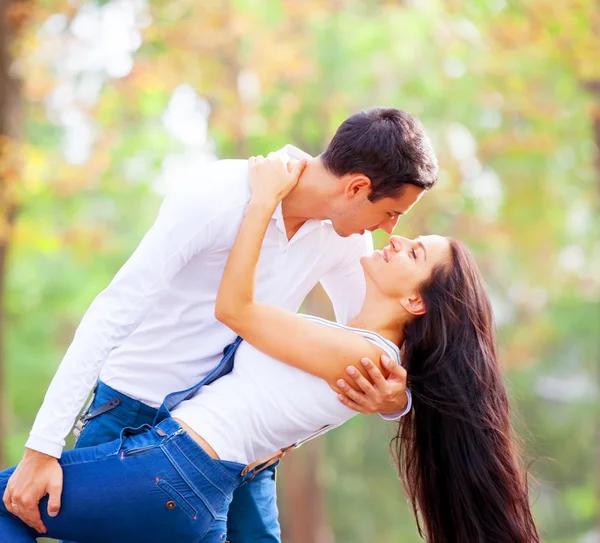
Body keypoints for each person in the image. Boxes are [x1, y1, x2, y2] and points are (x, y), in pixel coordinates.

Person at [0, 153, 540, 543]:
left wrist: (263, 203)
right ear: (356, 188)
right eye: (394, 215)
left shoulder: (365, 340)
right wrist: (399, 400)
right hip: (183, 452)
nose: (392, 233)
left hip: (183, 465)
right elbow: (367, 338)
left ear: (419, 301)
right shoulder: (366, 343)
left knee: (11, 504)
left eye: (411, 244)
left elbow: (237, 310)